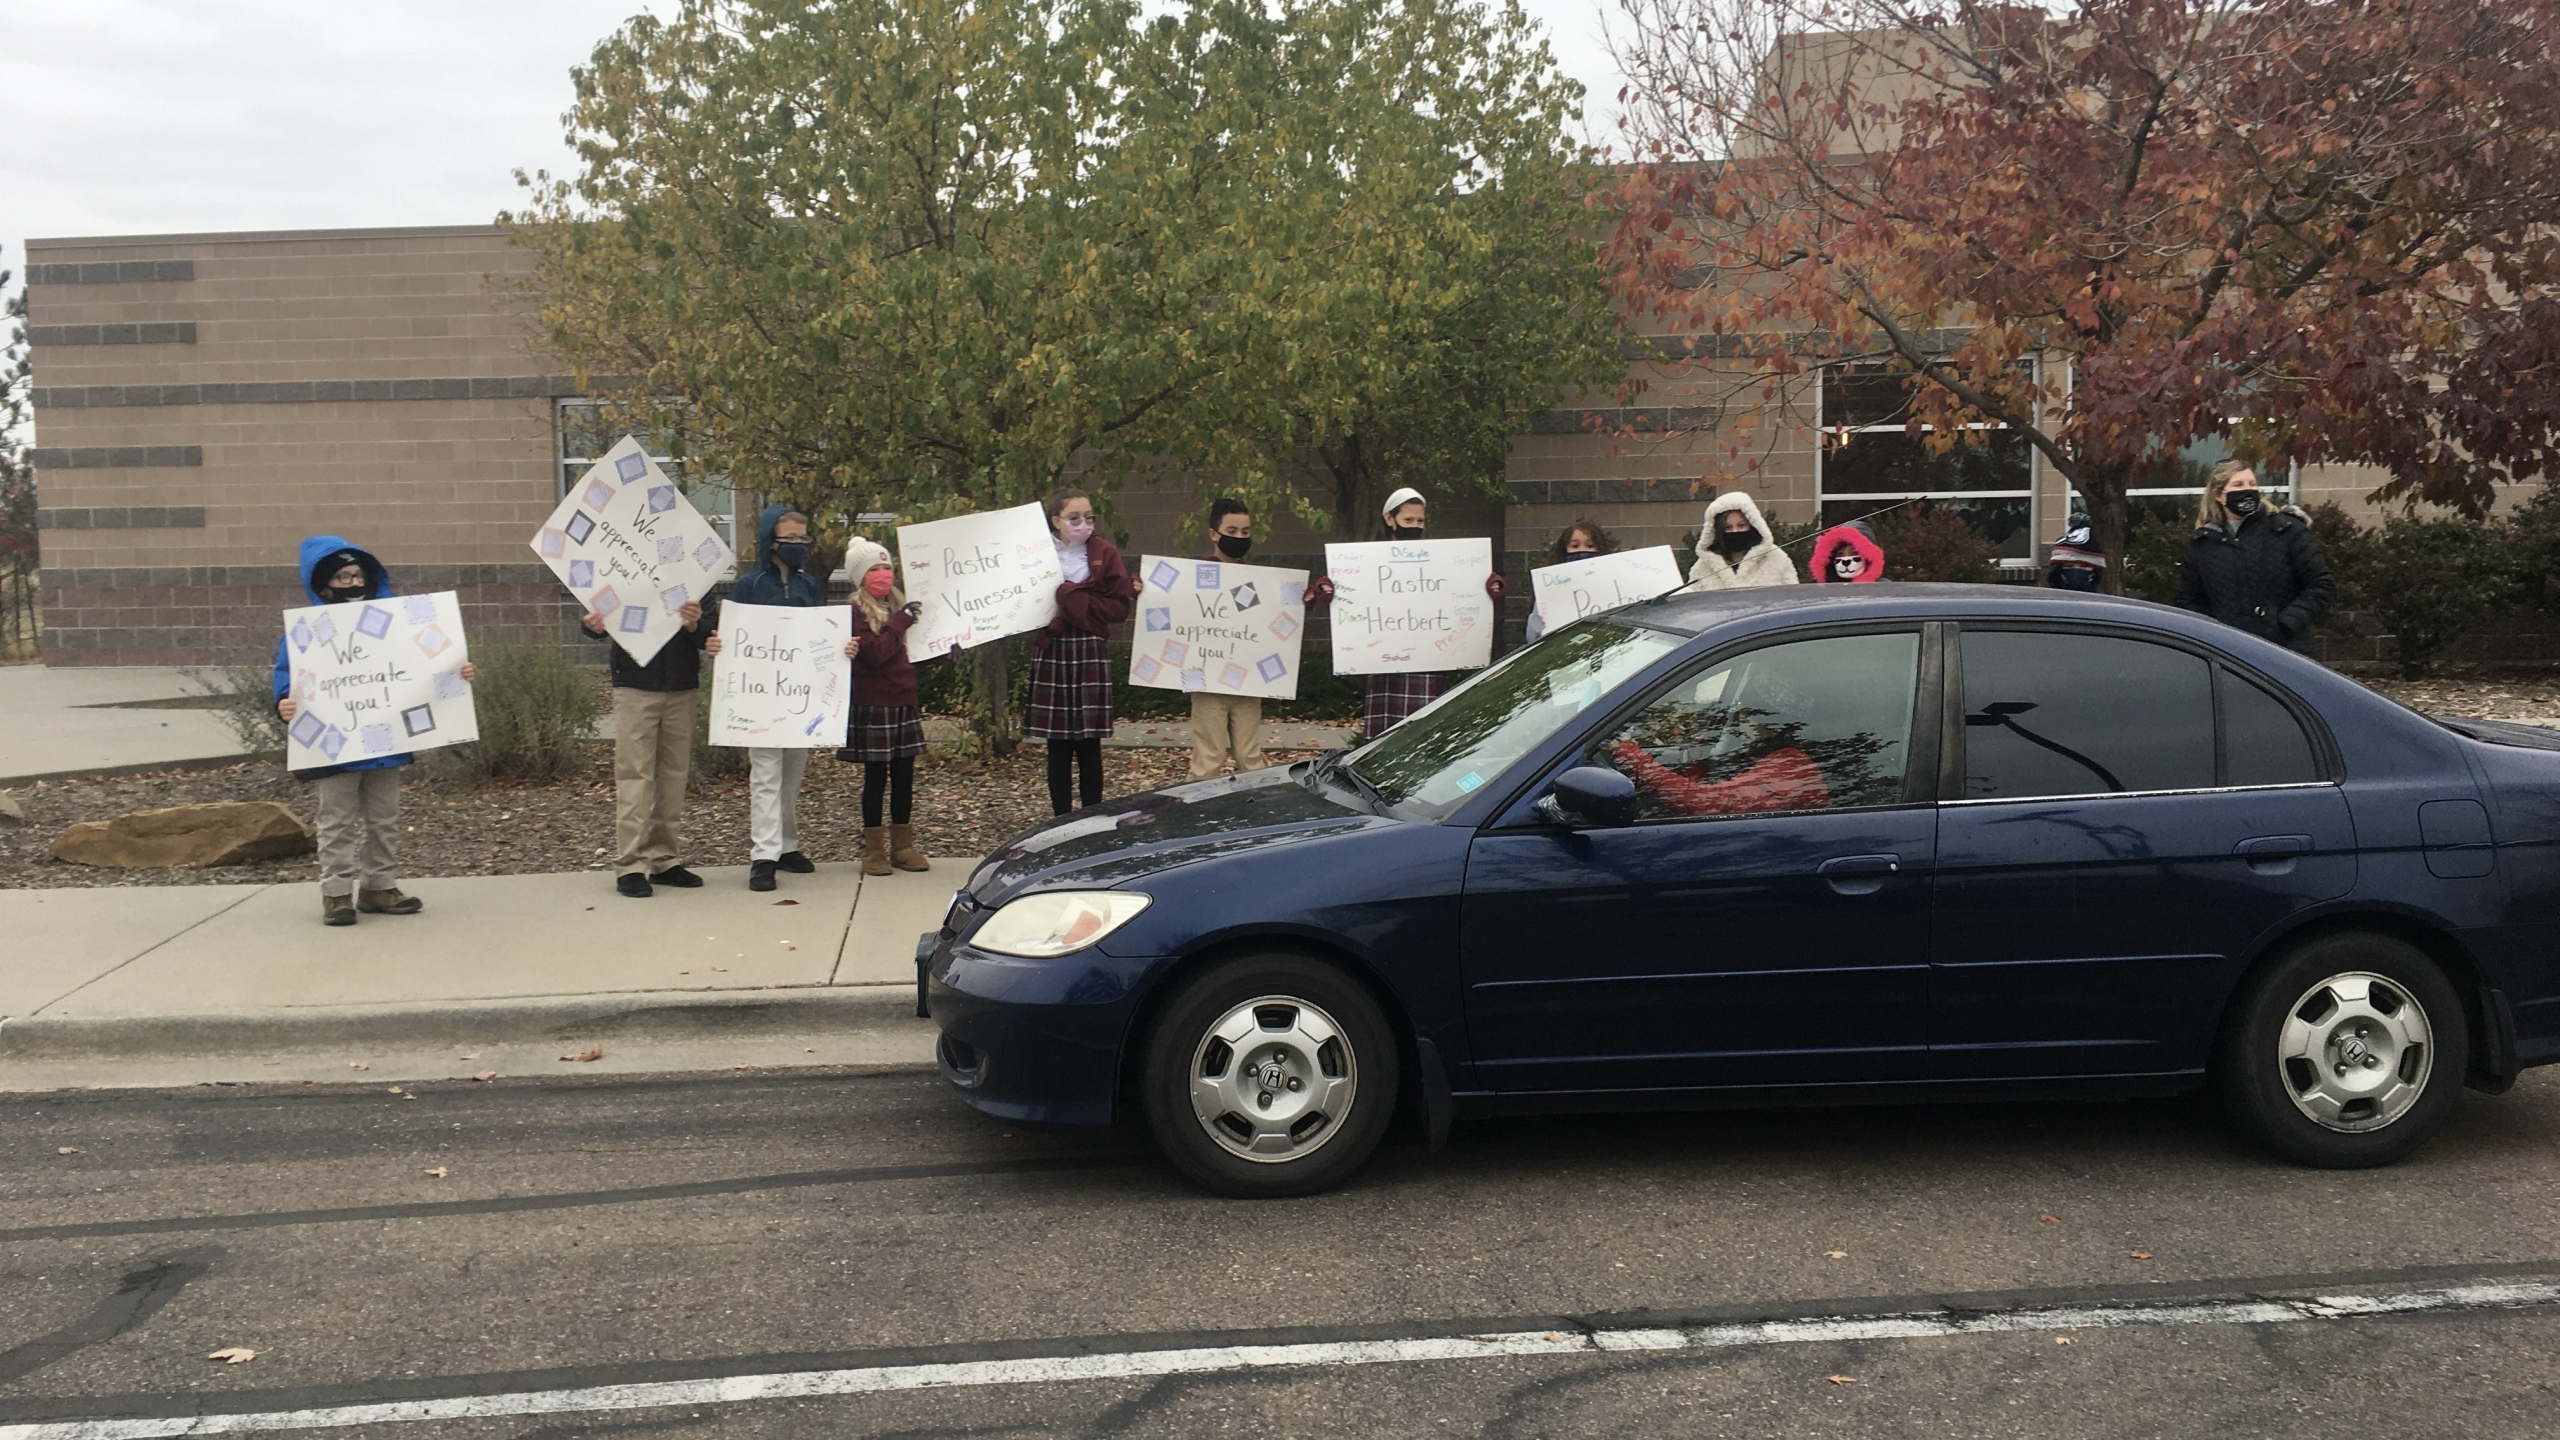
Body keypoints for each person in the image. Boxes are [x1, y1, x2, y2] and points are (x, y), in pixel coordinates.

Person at [272, 536, 473, 926]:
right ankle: (336, 894)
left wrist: (456, 672)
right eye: (342, 577)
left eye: (357, 574)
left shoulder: (394, 626)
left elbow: (423, 664)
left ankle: (379, 886)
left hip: (387, 740)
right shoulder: (305, 632)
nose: (351, 583)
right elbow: (287, 676)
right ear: (323, 584)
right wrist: (284, 702)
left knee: (385, 816)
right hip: (333, 745)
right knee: (336, 820)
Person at [705, 506, 847, 892]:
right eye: (790, 539)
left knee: (791, 777)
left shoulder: (809, 586)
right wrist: (719, 643)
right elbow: (732, 635)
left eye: (804, 539)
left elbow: (820, 635)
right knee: (765, 776)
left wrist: (840, 648)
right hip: (760, 698)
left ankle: (787, 846)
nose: (798, 545)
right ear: (771, 541)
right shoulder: (749, 586)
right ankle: (763, 857)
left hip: (799, 699)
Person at [1311, 487, 1509, 742]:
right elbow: (1343, 593)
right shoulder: (1364, 561)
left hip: (1429, 663)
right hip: (1384, 666)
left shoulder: (1442, 560)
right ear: (1389, 518)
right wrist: (1328, 589)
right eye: (1408, 520)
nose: (1415, 526)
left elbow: (1468, 588)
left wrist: (1489, 587)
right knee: (1383, 740)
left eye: (1420, 521)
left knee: (1425, 736)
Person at [584, 587, 711, 899]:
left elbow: (709, 632)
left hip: (681, 683)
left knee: (674, 773)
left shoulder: (694, 576)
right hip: (635, 683)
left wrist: (696, 624)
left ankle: (664, 858)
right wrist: (592, 625)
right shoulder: (628, 566)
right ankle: (629, 864)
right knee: (635, 774)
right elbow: (595, 615)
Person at [1029, 488, 1134, 815]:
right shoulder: (1036, 554)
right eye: (1074, 518)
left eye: (1088, 517)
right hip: (1053, 648)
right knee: (1057, 746)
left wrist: (1078, 602)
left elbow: (1119, 606)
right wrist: (1047, 623)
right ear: (1056, 521)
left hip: (1089, 648)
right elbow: (1021, 605)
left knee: (1089, 744)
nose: (1083, 524)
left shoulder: (1105, 552)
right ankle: (1060, 820)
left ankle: (1091, 819)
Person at [836, 538, 931, 875]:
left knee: (905, 777)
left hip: (903, 700)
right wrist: (901, 622)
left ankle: (903, 845)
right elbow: (875, 654)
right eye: (874, 569)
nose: (882, 575)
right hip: (873, 703)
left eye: (886, 567)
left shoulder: (903, 606)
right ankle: (873, 850)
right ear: (861, 577)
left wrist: (946, 648)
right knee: (876, 778)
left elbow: (911, 654)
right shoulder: (854, 612)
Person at [2175, 460, 2335, 655]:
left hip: (2288, 650)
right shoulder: (2202, 543)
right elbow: (2188, 599)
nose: (2247, 490)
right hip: (2229, 654)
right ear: (2219, 495)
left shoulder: (2286, 530)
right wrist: (2213, 634)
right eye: (2238, 485)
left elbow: (2321, 584)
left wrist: (2286, 624)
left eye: (2252, 484)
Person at [1189, 498, 1268, 780]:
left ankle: (1256, 814)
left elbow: (1271, 621)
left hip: (1248, 684)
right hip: (1209, 684)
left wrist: (1303, 598)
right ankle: (1197, 815)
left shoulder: (1259, 581)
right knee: (1208, 760)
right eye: (1231, 531)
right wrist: (1143, 582)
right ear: (1214, 533)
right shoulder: (1193, 578)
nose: (1239, 538)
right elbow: (1172, 601)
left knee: (1250, 757)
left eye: (1245, 533)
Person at [1524, 519, 1616, 643]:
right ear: (1564, 550)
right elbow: (1534, 633)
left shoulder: (1613, 583)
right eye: (1574, 546)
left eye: (1590, 545)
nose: (1582, 550)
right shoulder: (1550, 587)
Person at [1687, 492, 1798, 589]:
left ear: (1752, 525)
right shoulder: (1704, 566)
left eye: (1741, 525)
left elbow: (1792, 598)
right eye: (1728, 527)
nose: (1735, 531)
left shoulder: (1776, 559)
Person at [1807, 520, 1884, 584]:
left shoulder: (1884, 591)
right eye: (1840, 554)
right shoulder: (1818, 592)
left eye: (1854, 553)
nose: (1846, 559)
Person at [2046, 523, 2106, 591]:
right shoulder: (2044, 600)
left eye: (2085, 566)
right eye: (2069, 566)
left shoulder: (2104, 601)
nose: (2076, 571)